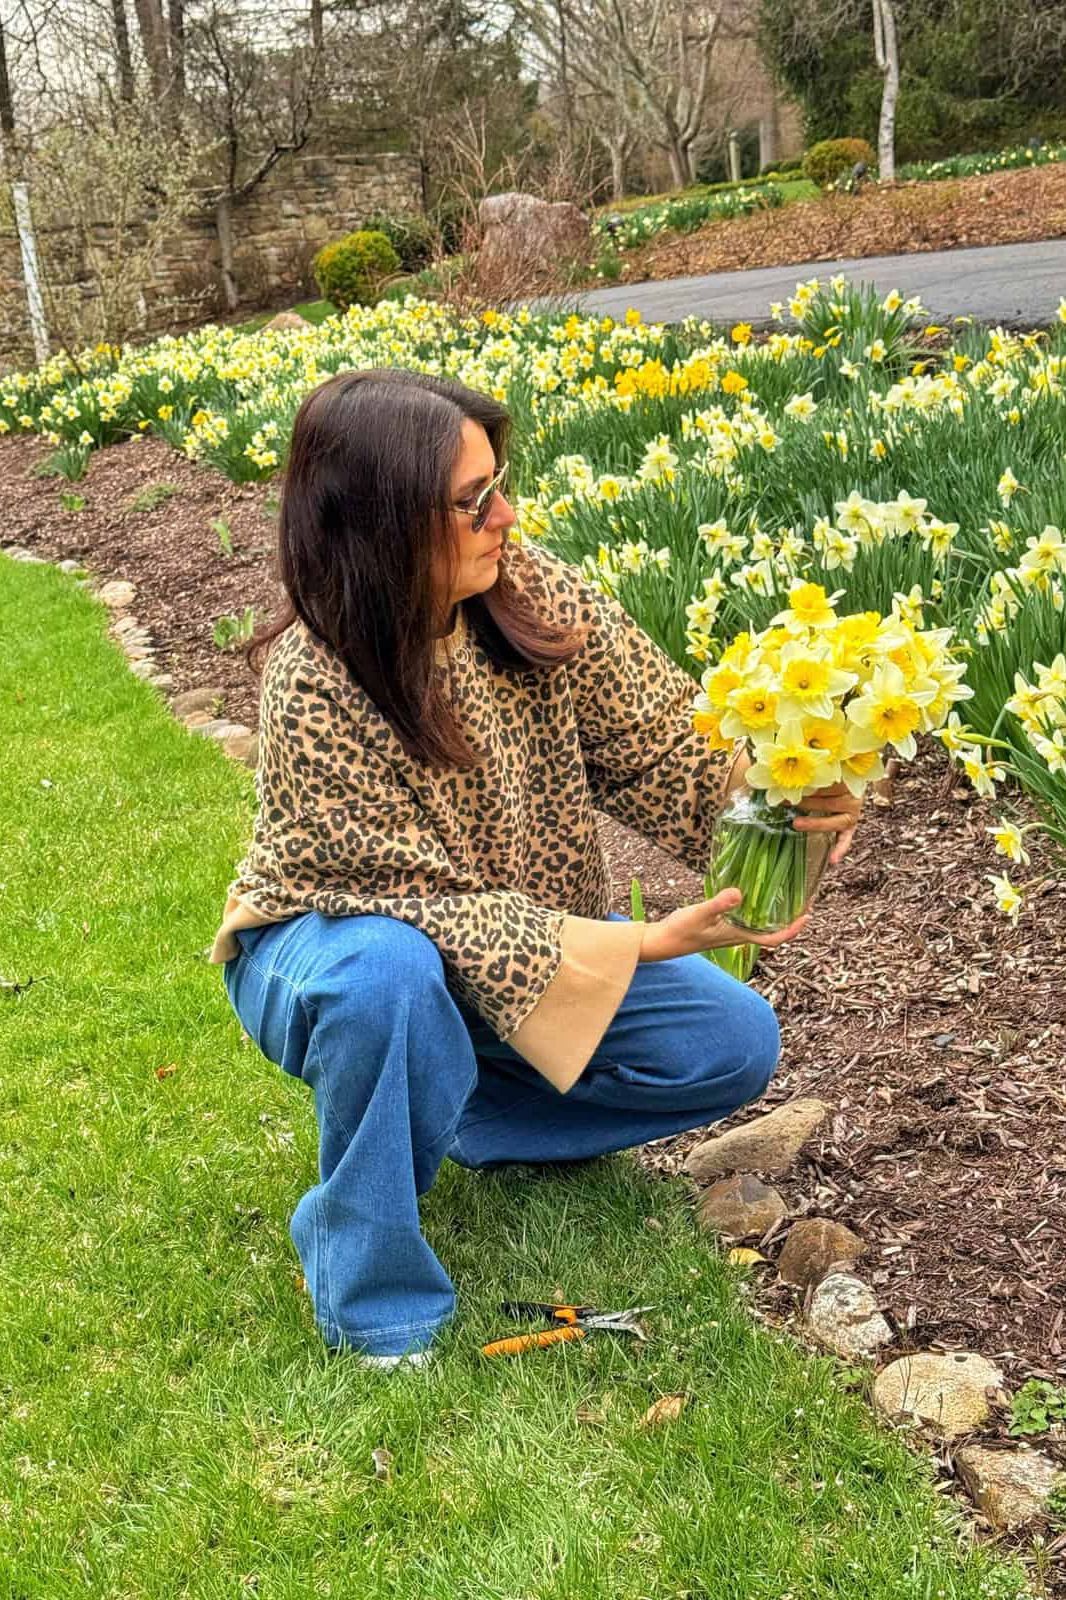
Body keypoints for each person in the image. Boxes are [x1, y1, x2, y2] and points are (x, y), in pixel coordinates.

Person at [209, 368, 861, 1367]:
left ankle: (457, 1109)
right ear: (384, 520)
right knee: (389, 977)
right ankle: (375, 1292)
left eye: (499, 485)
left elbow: (661, 744)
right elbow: (417, 905)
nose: (505, 516)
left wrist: (783, 799)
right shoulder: (317, 679)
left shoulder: (527, 594)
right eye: (472, 501)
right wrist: (642, 943)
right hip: (329, 943)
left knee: (730, 1042)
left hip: (514, 952)